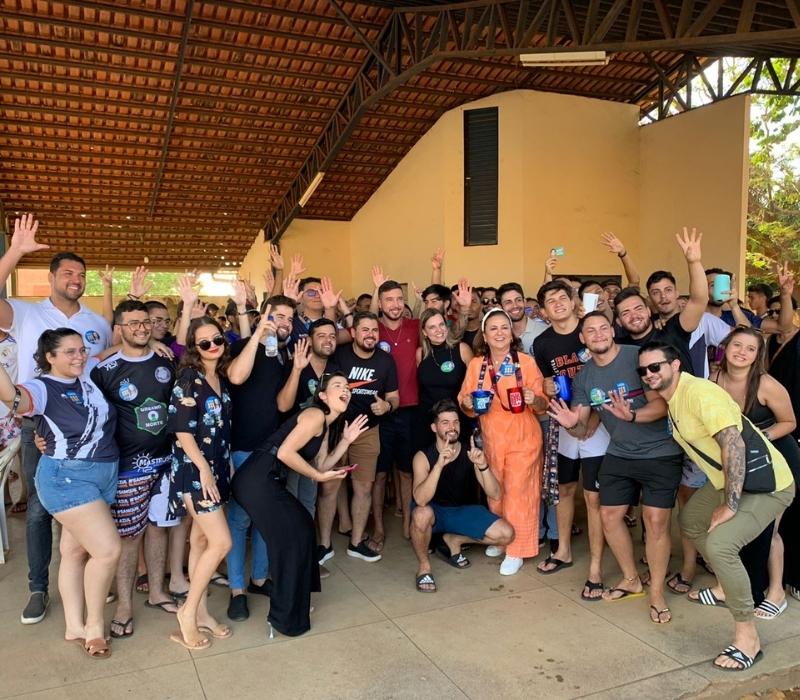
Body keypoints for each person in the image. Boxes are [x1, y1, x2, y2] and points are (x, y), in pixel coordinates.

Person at [639, 342, 795, 670]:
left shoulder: (699, 393)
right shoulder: (675, 398)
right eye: (644, 370)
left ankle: (747, 637)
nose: (649, 374)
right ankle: (726, 585)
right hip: (730, 479)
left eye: (656, 366)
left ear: (675, 365)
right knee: (692, 520)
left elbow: (733, 444)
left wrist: (730, 504)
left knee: (721, 545)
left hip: (768, 484)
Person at [0, 214, 113, 625]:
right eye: (67, 272)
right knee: (38, 510)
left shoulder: (94, 323)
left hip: (90, 431)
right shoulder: (26, 313)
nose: (75, 279)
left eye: (81, 274)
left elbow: (107, 357)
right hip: (40, 423)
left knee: (86, 507)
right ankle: (38, 588)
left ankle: (84, 581)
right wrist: (15, 251)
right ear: (51, 277)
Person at [548, 313, 683, 623]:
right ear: (582, 339)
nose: (598, 334)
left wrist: (632, 416)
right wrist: (570, 423)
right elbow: (582, 429)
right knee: (609, 516)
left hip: (660, 452)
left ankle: (657, 593)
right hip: (620, 452)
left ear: (612, 331)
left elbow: (662, 405)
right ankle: (631, 578)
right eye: (590, 331)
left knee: (655, 522)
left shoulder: (638, 357)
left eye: (603, 328)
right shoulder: (584, 377)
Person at [0, 328, 119, 658]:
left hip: (102, 474)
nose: (79, 356)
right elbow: (13, 398)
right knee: (107, 551)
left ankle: (73, 626)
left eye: (81, 349)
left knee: (73, 551)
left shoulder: (87, 373)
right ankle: (94, 627)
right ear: (49, 357)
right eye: (69, 352)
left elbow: (113, 350)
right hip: (68, 478)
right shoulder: (42, 387)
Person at [231, 373, 366, 636]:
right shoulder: (314, 415)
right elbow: (285, 453)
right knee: (294, 535)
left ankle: (294, 603)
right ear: (323, 396)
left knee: (302, 529)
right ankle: (284, 614)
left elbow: (321, 466)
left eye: (348, 387)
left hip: (265, 479)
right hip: (257, 477)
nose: (345, 390)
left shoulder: (325, 426)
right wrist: (318, 476)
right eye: (338, 386)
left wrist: (346, 441)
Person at [91, 301, 179, 639]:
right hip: (128, 468)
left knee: (159, 529)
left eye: (145, 323)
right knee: (129, 538)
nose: (141, 328)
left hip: (166, 462)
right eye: (133, 324)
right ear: (120, 328)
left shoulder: (166, 361)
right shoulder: (104, 369)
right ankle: (124, 606)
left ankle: (156, 591)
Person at [711, 327, 799, 619]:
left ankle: (775, 592)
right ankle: (737, 587)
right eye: (737, 345)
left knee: (769, 529)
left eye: (750, 349)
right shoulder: (714, 380)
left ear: (757, 355)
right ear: (726, 346)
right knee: (742, 527)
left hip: (778, 461)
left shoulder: (766, 384)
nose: (742, 352)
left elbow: (789, 422)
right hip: (742, 463)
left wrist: (761, 438)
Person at [532, 282, 610, 600]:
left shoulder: (591, 328)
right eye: (551, 301)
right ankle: (562, 550)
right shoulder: (542, 343)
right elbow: (545, 384)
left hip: (598, 425)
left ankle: (596, 567)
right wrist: (546, 389)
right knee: (564, 490)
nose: (558, 303)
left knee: (594, 497)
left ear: (573, 300)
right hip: (562, 424)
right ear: (543, 311)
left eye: (563, 297)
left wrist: (594, 420)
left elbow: (608, 373)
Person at [167, 316, 239, 650]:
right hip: (195, 472)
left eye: (217, 340)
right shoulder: (188, 379)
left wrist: (223, 465)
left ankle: (201, 613)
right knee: (221, 543)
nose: (213, 346)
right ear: (194, 348)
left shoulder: (219, 376)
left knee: (200, 541)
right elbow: (182, 431)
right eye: (204, 343)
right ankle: (187, 612)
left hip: (216, 467)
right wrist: (205, 470)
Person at [458, 308, 547, 575]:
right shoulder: (476, 365)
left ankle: (518, 548)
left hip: (523, 438)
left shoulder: (526, 363)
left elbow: (543, 404)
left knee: (519, 493)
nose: (499, 333)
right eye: (493, 328)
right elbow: (464, 401)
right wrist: (468, 403)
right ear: (484, 336)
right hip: (492, 439)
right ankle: (501, 537)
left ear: (512, 333)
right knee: (495, 492)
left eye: (504, 327)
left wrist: (534, 399)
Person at [223, 294, 295, 622]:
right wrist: (257, 334)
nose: (285, 323)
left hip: (272, 449)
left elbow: (281, 405)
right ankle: (237, 590)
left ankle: (259, 579)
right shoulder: (241, 347)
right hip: (242, 447)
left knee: (267, 518)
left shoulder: (281, 356)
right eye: (279, 316)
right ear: (263, 317)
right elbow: (237, 377)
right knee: (239, 520)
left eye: (289, 318)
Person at [317, 312, 399, 564]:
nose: (370, 335)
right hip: (336, 429)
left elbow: (394, 396)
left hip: (368, 431)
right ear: (353, 332)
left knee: (364, 488)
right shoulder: (339, 356)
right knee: (329, 487)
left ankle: (356, 543)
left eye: (374, 330)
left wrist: (387, 406)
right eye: (365, 330)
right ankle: (324, 545)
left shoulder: (385, 361)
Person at [410, 400, 514, 592]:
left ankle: (454, 539)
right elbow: (421, 500)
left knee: (506, 534)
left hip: (461, 511)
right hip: (434, 512)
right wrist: (439, 466)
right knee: (421, 514)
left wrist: (482, 465)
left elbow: (495, 494)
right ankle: (424, 567)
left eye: (455, 422)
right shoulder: (422, 456)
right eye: (445, 422)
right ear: (434, 427)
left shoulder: (470, 453)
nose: (452, 427)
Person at [373, 278, 420, 546]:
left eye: (399, 299)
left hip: (410, 410)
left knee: (406, 472)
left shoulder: (415, 326)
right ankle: (379, 528)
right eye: (389, 299)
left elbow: (447, 331)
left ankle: (407, 524)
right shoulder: (372, 329)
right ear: (379, 303)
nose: (395, 304)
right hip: (379, 411)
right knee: (379, 474)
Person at [414, 309, 472, 452]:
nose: (439, 330)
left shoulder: (462, 349)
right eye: (432, 327)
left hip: (457, 421)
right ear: (424, 332)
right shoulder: (421, 353)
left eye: (441, 324)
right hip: (428, 422)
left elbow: (476, 383)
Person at [497, 282, 548, 354]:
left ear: (524, 302)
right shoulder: (499, 335)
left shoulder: (544, 331)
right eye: (508, 302)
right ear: (500, 307)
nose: (515, 306)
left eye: (518, 300)